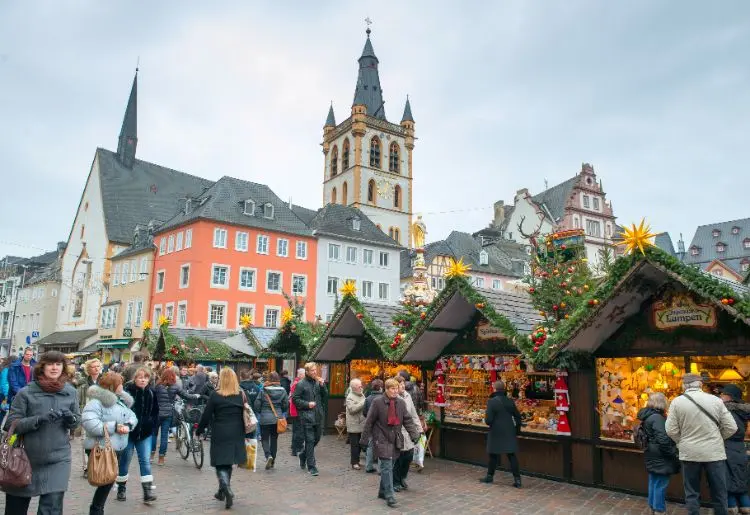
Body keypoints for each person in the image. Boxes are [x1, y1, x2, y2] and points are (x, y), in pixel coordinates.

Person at [3, 350, 80, 514]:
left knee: (52, 508)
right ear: (41, 367)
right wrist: (38, 419)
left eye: (58, 364)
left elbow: (77, 423)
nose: (54, 368)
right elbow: (11, 424)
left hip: (58, 459)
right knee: (15, 510)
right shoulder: (26, 393)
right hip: (24, 459)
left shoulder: (71, 392)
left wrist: (71, 419)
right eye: (50, 364)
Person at [666, 373, 737, 515]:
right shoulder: (716, 401)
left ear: (684, 386)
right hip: (714, 453)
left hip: (689, 453)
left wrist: (682, 442)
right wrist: (717, 438)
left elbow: (670, 430)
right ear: (700, 384)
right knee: (719, 492)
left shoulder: (677, 402)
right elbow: (732, 427)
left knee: (692, 493)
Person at [360, 378, 421, 508]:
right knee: (387, 466)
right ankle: (389, 495)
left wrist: (415, 435)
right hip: (381, 438)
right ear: (386, 389)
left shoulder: (400, 403)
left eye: (396, 388)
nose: (395, 391)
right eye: (392, 389)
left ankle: (382, 491)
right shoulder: (377, 402)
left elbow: (408, 420)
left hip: (396, 439)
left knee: (390, 466)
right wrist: (364, 440)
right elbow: (369, 422)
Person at [82, 372, 138, 515]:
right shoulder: (95, 403)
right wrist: (114, 427)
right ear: (112, 386)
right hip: (101, 447)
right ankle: (96, 509)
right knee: (106, 479)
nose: (122, 387)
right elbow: (90, 423)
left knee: (109, 479)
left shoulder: (120, 401)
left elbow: (132, 416)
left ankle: (97, 508)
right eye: (119, 384)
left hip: (117, 446)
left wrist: (128, 424)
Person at [196, 368, 247, 509]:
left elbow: (206, 415)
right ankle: (222, 491)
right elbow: (248, 412)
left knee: (220, 462)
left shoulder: (215, 395)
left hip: (220, 431)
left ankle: (225, 487)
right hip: (237, 431)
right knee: (228, 461)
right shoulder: (240, 394)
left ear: (221, 379)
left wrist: (199, 430)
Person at [117, 367, 159, 504]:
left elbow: (155, 411)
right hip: (128, 433)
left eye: (145, 378)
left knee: (145, 461)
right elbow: (120, 410)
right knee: (125, 461)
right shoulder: (127, 391)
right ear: (135, 378)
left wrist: (152, 424)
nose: (143, 380)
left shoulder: (152, 392)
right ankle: (121, 489)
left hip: (145, 433)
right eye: (140, 377)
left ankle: (147, 492)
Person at [637, 392, 680, 515]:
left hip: (651, 452)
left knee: (654, 481)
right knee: (661, 483)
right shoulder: (657, 418)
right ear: (662, 403)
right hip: (660, 455)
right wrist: (673, 453)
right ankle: (659, 509)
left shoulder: (648, 415)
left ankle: (653, 506)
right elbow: (663, 439)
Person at [479, 380, 523, 488]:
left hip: (496, 432)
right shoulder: (510, 401)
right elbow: (518, 416)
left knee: (493, 455)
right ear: (504, 389)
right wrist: (517, 430)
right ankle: (517, 480)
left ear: (495, 389)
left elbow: (488, 420)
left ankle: (489, 476)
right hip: (509, 431)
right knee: (511, 455)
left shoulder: (492, 402)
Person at [152, 368, 199, 466]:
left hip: (156, 413)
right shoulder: (175, 387)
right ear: (173, 377)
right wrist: (196, 396)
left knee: (154, 435)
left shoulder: (157, 386)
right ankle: (161, 459)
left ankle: (151, 456)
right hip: (168, 413)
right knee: (164, 436)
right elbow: (186, 396)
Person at [292, 362, 328, 476]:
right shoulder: (301, 384)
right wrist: (307, 404)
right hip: (306, 416)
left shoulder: (318, 382)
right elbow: (295, 399)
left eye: (315, 370)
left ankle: (303, 455)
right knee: (310, 440)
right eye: (312, 370)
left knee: (316, 439)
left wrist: (323, 386)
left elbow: (324, 396)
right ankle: (312, 466)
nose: (314, 372)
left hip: (317, 415)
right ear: (307, 372)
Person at [719, 384, 750, 514]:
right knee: (740, 481)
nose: (720, 396)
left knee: (727, 481)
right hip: (739, 448)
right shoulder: (742, 411)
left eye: (723, 394)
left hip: (726, 447)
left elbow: (728, 430)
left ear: (729, 397)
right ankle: (746, 508)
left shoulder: (726, 412)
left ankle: (732, 508)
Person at [253, 371, 289, 470]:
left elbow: (257, 404)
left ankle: (268, 455)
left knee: (264, 438)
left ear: (269, 379)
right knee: (274, 439)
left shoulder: (263, 390)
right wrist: (282, 411)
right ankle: (273, 461)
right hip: (277, 418)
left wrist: (260, 411)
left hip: (265, 418)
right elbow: (286, 405)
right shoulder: (283, 390)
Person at [394, 374, 423, 490]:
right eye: (400, 385)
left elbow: (413, 414)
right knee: (398, 458)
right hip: (398, 431)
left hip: (409, 430)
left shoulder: (407, 396)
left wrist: (419, 429)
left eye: (403, 384)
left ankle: (402, 477)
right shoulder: (394, 398)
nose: (403, 386)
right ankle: (396, 481)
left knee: (408, 456)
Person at [363, 378, 384, 473]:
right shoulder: (383, 398)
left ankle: (368, 466)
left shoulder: (367, 398)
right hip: (381, 425)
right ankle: (380, 469)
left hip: (371, 424)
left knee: (370, 445)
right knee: (381, 446)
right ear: (381, 388)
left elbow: (364, 412)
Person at [346, 378, 366, 470]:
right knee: (354, 445)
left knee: (360, 444)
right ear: (354, 388)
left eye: (361, 385)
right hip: (354, 424)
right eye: (359, 386)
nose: (361, 387)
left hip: (361, 423)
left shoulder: (361, 393)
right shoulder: (350, 397)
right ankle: (354, 462)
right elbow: (352, 410)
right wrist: (363, 402)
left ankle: (357, 460)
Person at [289, 368, 305, 456]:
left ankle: (295, 447)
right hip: (297, 410)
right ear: (301, 375)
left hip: (295, 410)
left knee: (296, 429)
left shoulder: (296, 382)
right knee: (298, 430)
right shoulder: (298, 384)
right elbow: (296, 399)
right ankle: (296, 448)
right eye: (304, 374)